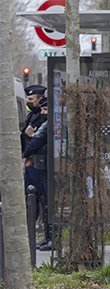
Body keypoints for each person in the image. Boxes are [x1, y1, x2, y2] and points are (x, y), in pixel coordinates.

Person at [22, 97, 51, 250]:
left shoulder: (48, 125)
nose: (43, 112)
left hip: (44, 166)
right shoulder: (42, 121)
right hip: (41, 166)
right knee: (44, 201)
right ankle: (48, 237)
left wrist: (25, 154)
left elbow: (36, 142)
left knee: (47, 202)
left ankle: (51, 238)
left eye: (46, 110)